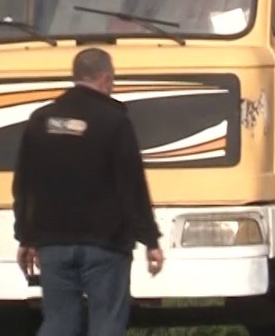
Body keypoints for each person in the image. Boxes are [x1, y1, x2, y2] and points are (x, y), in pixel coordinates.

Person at [12, 47, 164, 335]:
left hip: (53, 245)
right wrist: (150, 239)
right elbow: (132, 186)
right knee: (107, 321)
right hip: (105, 246)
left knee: (58, 322)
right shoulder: (115, 121)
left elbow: (24, 184)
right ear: (106, 79)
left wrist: (27, 236)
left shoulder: (41, 120)